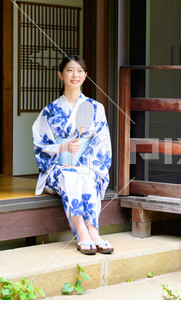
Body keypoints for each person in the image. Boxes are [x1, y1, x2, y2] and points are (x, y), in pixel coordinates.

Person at [32, 55, 113, 255]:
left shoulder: (96, 108)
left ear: (85, 76)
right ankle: (82, 233)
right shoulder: (50, 111)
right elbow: (40, 143)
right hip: (57, 169)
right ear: (60, 75)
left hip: (85, 166)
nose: (74, 75)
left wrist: (84, 164)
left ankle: (94, 231)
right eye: (69, 70)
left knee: (87, 174)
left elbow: (101, 143)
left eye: (79, 71)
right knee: (70, 175)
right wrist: (63, 149)